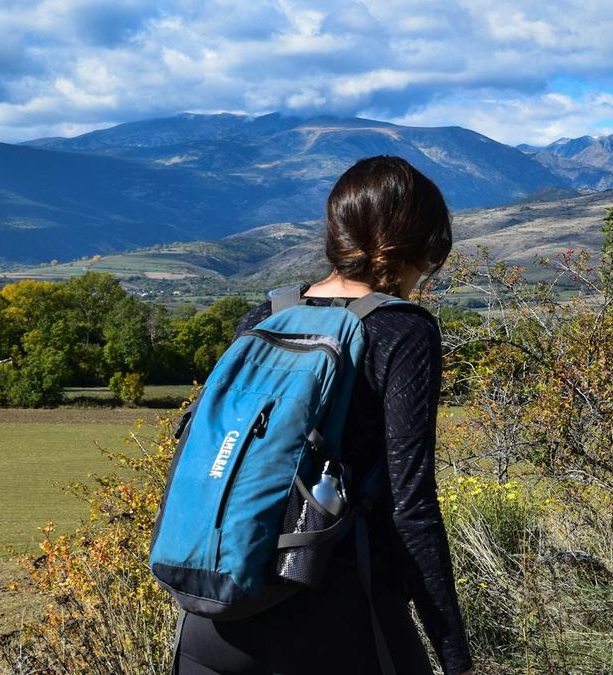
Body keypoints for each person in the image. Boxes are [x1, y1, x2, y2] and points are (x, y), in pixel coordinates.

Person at [175, 156, 473, 675]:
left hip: (214, 615)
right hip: (337, 615)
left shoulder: (265, 317)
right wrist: (454, 655)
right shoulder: (402, 331)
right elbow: (412, 507)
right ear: (416, 245)